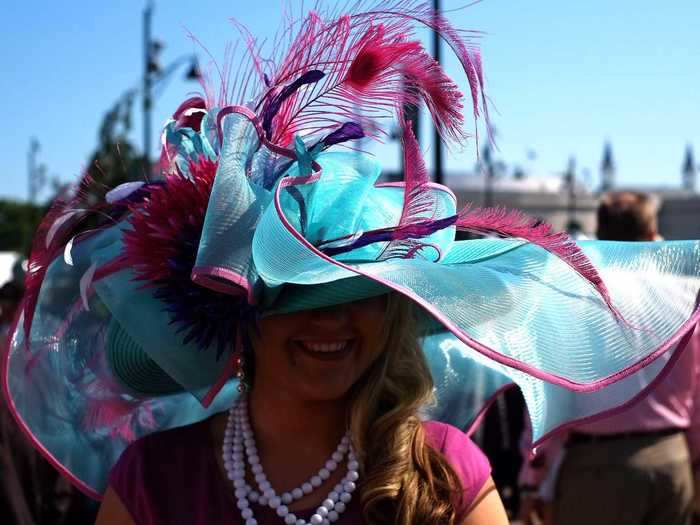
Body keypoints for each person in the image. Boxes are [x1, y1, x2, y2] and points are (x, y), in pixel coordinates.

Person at [4, 4, 700, 525]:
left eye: (360, 290)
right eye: (296, 297)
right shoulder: (155, 481)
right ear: (238, 313)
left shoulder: (446, 475)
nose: (333, 316)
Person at [518, 191, 700, 525]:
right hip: (670, 458)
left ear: (601, 236)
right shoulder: (687, 295)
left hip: (596, 466)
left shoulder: (570, 299)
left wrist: (533, 482)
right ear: (651, 236)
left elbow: (548, 398)